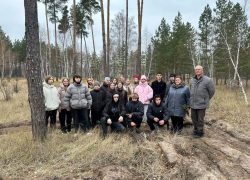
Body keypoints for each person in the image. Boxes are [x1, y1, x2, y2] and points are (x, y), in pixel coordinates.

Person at [190, 65, 215, 138]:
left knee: (200, 119)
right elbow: (191, 90)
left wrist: (205, 99)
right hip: (193, 103)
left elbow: (212, 91)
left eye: (199, 69)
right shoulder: (192, 80)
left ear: (202, 71)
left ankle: (200, 132)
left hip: (202, 104)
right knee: (193, 117)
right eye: (196, 69)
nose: (197, 71)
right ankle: (195, 130)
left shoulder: (208, 80)